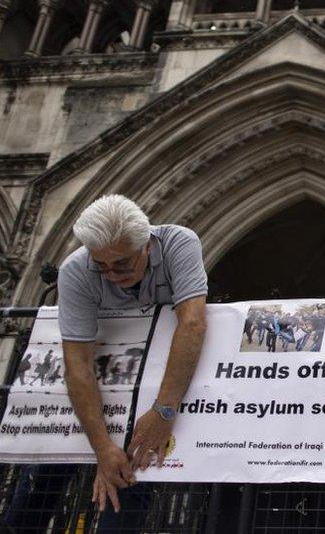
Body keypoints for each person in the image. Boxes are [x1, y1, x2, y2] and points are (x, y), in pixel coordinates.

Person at [58, 194, 208, 531]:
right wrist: (102, 448)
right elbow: (77, 365)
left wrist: (164, 410)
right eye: (101, 266)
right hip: (107, 391)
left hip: (170, 388)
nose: (111, 275)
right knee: (49, 474)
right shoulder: (75, 270)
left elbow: (193, 323)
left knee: (141, 473)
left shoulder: (178, 243)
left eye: (122, 264)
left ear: (147, 247)